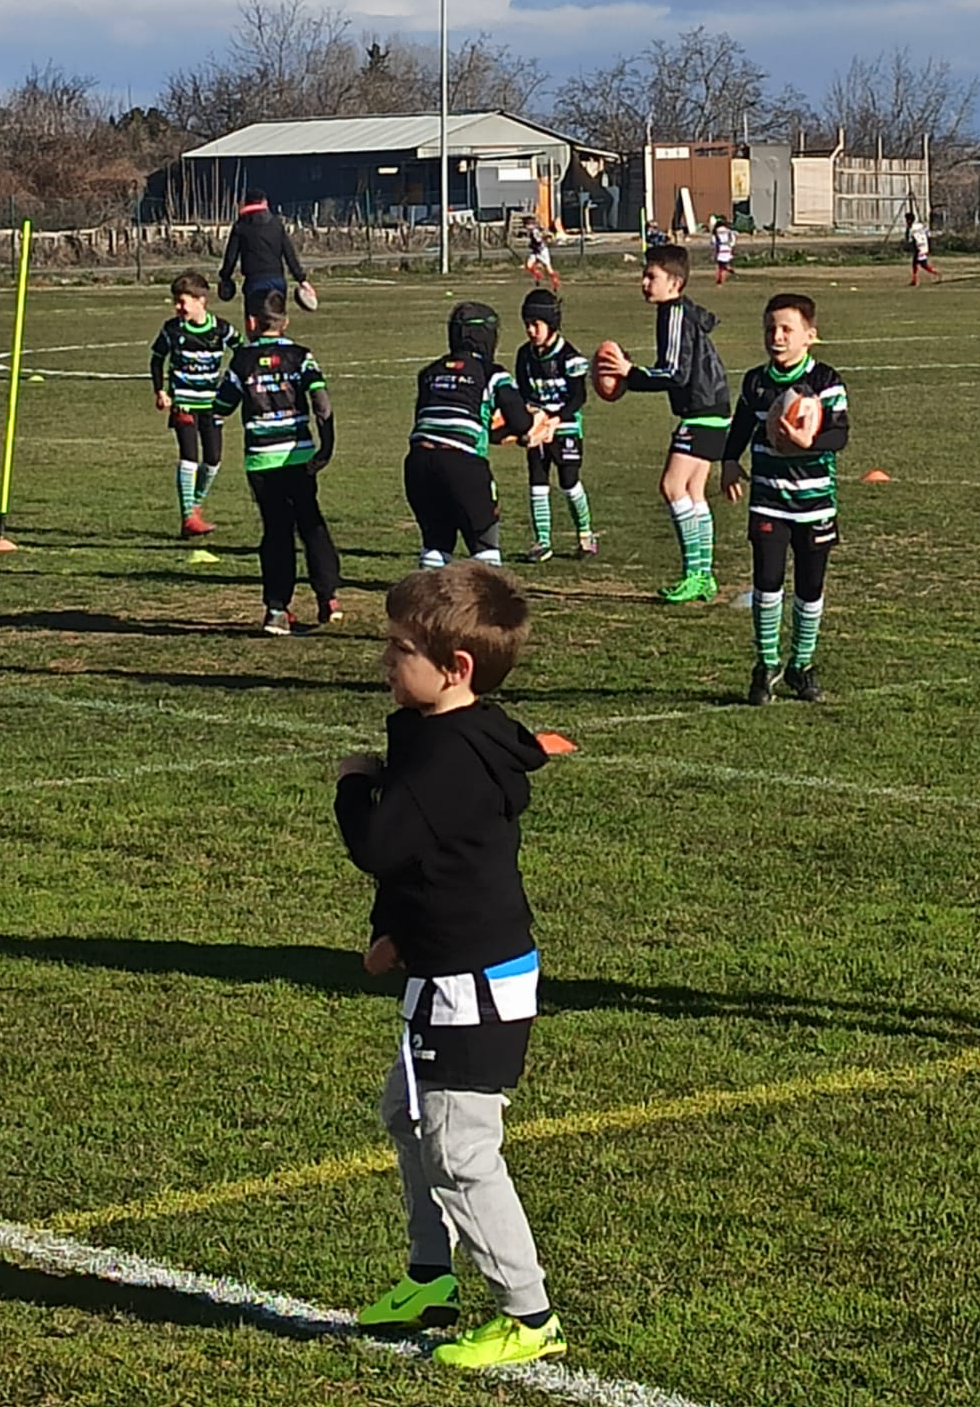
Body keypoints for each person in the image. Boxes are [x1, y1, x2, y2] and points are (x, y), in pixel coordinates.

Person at [337, 563, 564, 1372]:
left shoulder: (447, 758)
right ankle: (430, 1277)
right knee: (407, 1117)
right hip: (438, 970)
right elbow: (422, 864)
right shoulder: (437, 734)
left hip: (474, 984)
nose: (384, 661)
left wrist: (352, 787)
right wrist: (392, 932)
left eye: (399, 649)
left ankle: (527, 1315)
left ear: (455, 668)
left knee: (462, 1152)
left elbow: (381, 845)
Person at [723, 294, 849, 704]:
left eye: (786, 330)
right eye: (770, 329)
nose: (776, 337)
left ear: (809, 336)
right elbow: (742, 425)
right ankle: (766, 664)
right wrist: (729, 461)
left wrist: (808, 442)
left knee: (810, 586)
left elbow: (840, 434)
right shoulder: (755, 382)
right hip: (768, 501)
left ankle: (802, 664)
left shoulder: (826, 381)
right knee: (767, 581)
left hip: (815, 503)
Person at [597, 244, 730, 603]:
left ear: (674, 283)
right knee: (694, 491)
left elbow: (674, 372)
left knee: (672, 487)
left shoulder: (673, 313)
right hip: (716, 405)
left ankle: (693, 574)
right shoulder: (683, 310)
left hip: (700, 409)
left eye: (651, 276)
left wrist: (631, 374)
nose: (643, 283)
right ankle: (704, 575)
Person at [210, 289, 340, 635]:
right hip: (299, 455)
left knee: (277, 530)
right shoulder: (301, 356)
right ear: (286, 322)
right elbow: (321, 403)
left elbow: (222, 407)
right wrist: (326, 447)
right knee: (310, 521)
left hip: (262, 461)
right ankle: (328, 597)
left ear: (251, 322)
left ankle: (277, 610)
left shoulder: (242, 360)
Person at [405, 303, 556, 569]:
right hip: (462, 465)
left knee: (436, 543)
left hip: (418, 464)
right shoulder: (492, 373)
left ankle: (428, 592)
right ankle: (489, 592)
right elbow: (521, 422)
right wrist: (538, 422)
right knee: (484, 546)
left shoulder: (428, 373)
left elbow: (434, 421)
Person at [149, 271, 239, 538]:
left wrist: (232, 385)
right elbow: (156, 359)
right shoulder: (172, 329)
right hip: (184, 404)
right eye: (175, 302)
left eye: (182, 301)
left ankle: (195, 505)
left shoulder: (221, 329)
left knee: (213, 460)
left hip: (212, 405)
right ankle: (188, 516)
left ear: (201, 300)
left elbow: (243, 353)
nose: (178, 307)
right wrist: (160, 391)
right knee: (189, 457)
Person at [514, 288, 597, 562]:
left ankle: (585, 535)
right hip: (537, 427)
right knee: (537, 483)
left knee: (569, 482)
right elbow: (524, 394)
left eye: (535, 324)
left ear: (551, 324)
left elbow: (578, 397)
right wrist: (531, 419)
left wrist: (555, 420)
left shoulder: (570, 357)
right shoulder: (524, 356)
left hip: (566, 426)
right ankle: (542, 542)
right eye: (527, 324)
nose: (530, 330)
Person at [217, 195, 315, 312]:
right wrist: (301, 279)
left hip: (254, 281)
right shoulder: (276, 224)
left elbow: (231, 257)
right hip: (277, 280)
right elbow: (289, 254)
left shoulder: (240, 226)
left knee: (254, 319)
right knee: (276, 319)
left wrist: (225, 277)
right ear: (264, 203)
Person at [523, 221, 560, 294]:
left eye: (528, 225)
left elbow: (539, 240)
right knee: (529, 265)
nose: (527, 227)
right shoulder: (533, 231)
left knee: (549, 269)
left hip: (542, 252)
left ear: (532, 225)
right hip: (536, 251)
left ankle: (555, 283)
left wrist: (547, 237)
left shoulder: (535, 231)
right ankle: (538, 275)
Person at [907, 213, 940, 285]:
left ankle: (936, 273)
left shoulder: (911, 229)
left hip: (919, 248)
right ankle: (914, 280)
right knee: (915, 264)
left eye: (907, 220)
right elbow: (927, 232)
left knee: (923, 265)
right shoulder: (920, 225)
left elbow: (910, 240)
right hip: (924, 246)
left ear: (909, 220)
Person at [711, 215, 736, 286]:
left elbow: (713, 241)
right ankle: (726, 271)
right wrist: (731, 246)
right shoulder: (729, 231)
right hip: (727, 249)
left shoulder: (716, 231)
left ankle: (719, 282)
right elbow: (733, 241)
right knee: (724, 267)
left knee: (720, 267)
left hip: (720, 250)